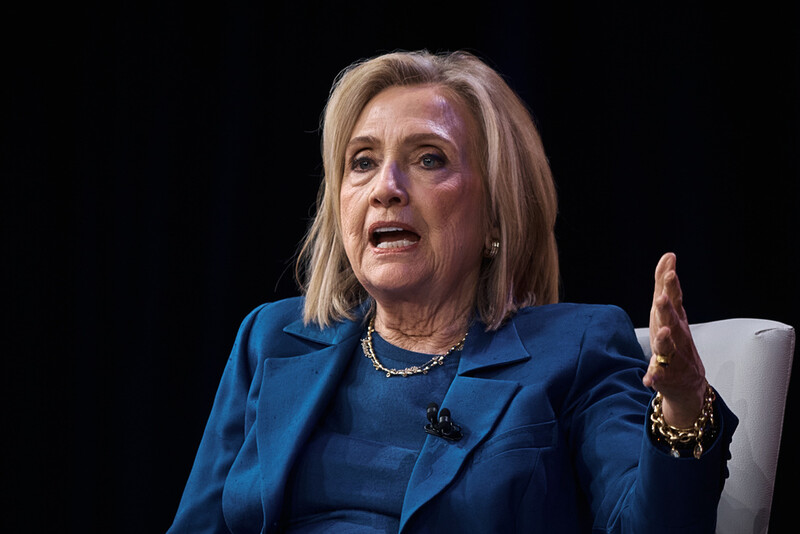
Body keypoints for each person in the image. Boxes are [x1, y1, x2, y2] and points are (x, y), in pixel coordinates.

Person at [167, 50, 736, 533]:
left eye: (428, 159)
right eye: (362, 162)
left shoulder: (576, 347)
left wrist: (684, 405)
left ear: (496, 213)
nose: (385, 188)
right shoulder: (271, 340)